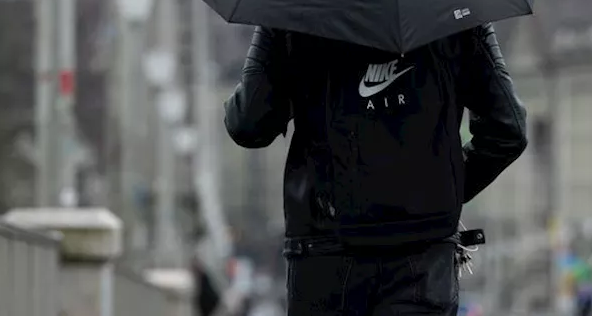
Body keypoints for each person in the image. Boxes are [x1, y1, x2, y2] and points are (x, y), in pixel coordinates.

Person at [223, 24, 528, 316]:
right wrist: (437, 193)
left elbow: (249, 124)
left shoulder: (294, 1)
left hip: (325, 250)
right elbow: (508, 129)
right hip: (422, 252)